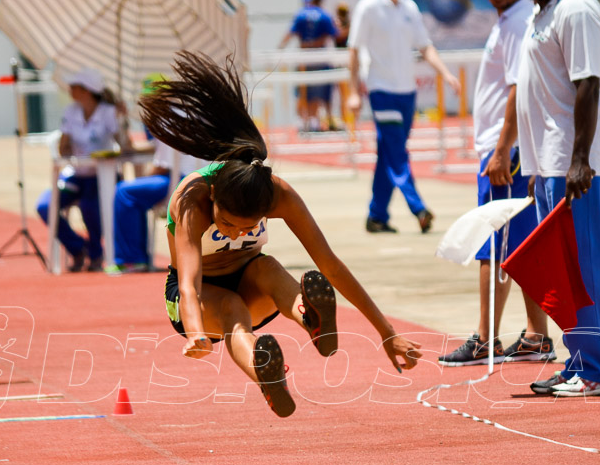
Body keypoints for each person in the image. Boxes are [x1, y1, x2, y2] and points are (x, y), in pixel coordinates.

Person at [140, 51, 422, 417]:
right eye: (227, 225)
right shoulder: (191, 201)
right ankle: (265, 372)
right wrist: (195, 333)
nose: (236, 232)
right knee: (231, 308)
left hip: (251, 280)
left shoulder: (276, 193)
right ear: (214, 198)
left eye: (248, 226)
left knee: (268, 267)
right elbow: (191, 284)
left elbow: (331, 266)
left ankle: (310, 317)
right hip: (195, 300)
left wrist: (387, 331)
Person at [516, 0, 600, 397]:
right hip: (550, 162)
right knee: (564, 270)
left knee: (584, 267)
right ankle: (581, 361)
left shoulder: (575, 7)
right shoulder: (542, 12)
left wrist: (580, 159)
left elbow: (588, 85)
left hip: (575, 163)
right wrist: (535, 164)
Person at [438, 0, 555, 367]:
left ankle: (487, 339)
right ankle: (537, 336)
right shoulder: (511, 20)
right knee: (518, 246)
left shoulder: (519, 21)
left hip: (507, 152)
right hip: (507, 149)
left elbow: (519, 89)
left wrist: (503, 148)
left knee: (496, 247)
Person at [346, 0, 460, 234]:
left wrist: (445, 74)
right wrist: (354, 92)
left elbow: (425, 46)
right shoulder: (368, 6)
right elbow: (353, 49)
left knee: (388, 152)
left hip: (407, 92)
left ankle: (376, 215)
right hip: (381, 90)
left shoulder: (409, 7)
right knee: (397, 152)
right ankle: (418, 208)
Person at [36, 68, 129, 272]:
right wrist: (66, 145)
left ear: (87, 90)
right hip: (76, 174)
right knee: (45, 206)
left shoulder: (108, 112)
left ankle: (96, 253)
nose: (69, 89)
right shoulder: (71, 111)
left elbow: (124, 146)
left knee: (89, 206)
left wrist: (123, 122)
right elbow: (63, 147)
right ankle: (79, 248)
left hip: (102, 176)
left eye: (74, 86)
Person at [110, 138, 205, 273]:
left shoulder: (170, 123)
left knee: (124, 192)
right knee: (135, 194)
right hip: (207, 178)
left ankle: (131, 259)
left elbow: (162, 166)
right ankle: (137, 257)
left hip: (182, 181)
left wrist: (146, 177)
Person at [279, 0, 339, 132]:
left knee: (303, 90)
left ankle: (304, 121)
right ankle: (314, 120)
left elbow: (290, 34)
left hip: (304, 58)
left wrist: (279, 49)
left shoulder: (300, 14)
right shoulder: (325, 15)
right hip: (320, 57)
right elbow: (334, 35)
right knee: (318, 91)